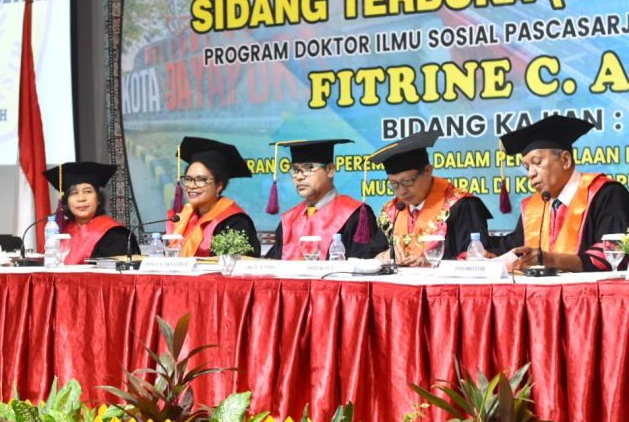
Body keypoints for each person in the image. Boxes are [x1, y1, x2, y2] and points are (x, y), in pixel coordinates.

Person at [493, 115, 629, 272]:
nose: (531, 173)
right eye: (526, 167)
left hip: (590, 295)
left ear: (565, 160)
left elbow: (614, 253)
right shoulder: (534, 207)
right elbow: (512, 246)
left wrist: (550, 260)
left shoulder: (606, 194)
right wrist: (484, 253)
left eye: (537, 162)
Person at [370, 130, 492, 265]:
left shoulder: (462, 206)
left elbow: (477, 259)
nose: (402, 192)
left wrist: (433, 263)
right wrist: (383, 256)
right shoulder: (392, 212)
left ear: (428, 171)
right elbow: (369, 254)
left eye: (407, 182)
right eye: (394, 184)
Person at [265, 139, 388, 260]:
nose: (299, 177)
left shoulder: (355, 215)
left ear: (329, 170)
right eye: (296, 170)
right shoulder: (289, 220)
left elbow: (364, 263)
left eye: (308, 168)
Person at [168, 136, 261, 257]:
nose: (191, 185)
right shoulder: (183, 218)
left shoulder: (234, 222)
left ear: (219, 186)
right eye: (188, 179)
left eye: (201, 180)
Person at [43, 161, 139, 263]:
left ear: (98, 199)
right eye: (74, 193)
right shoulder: (62, 232)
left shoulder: (114, 235)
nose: (81, 198)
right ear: (66, 201)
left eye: (88, 191)